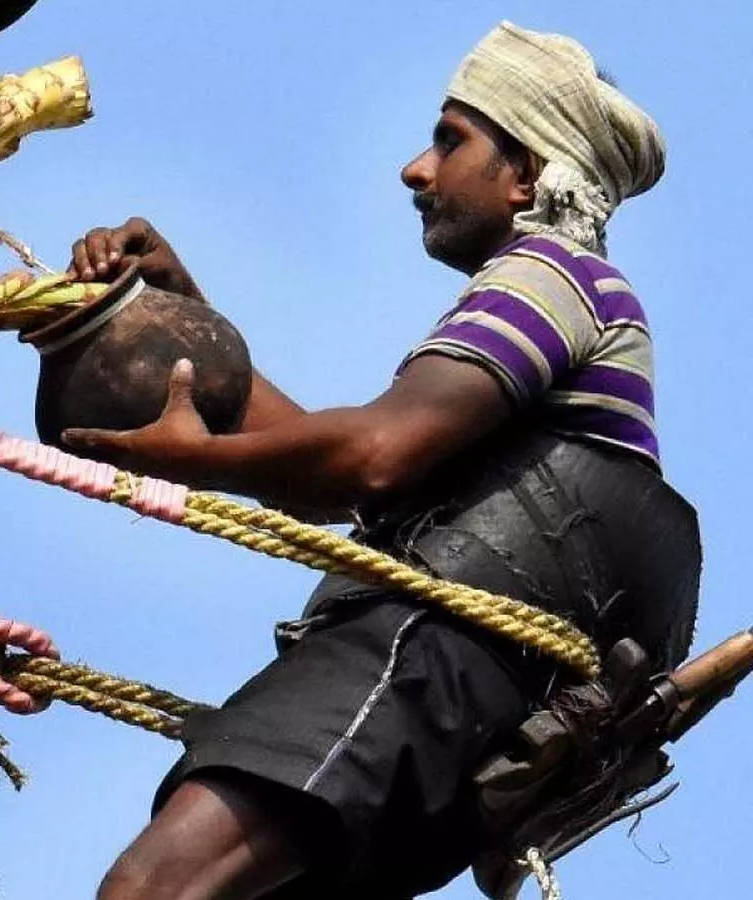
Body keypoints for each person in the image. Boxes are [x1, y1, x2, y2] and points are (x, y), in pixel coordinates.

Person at [60, 22, 701, 900]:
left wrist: (199, 463)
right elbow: (344, 470)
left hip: (431, 655)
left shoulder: (551, 276)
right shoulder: (559, 317)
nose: (417, 169)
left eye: (451, 140)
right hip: (472, 692)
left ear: (527, 177)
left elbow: (368, 457)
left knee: (153, 889)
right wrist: (185, 322)